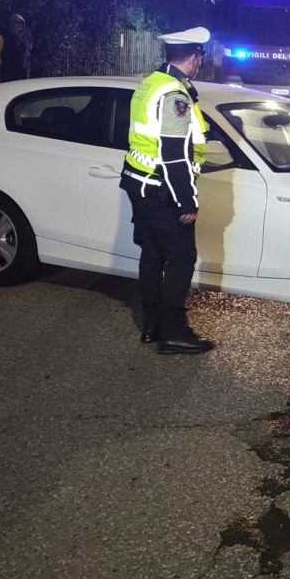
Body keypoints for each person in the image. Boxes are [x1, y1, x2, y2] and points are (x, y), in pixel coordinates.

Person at [120, 27, 214, 355]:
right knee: (181, 256)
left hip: (138, 183)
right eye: (200, 56)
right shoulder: (174, 95)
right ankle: (174, 332)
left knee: (153, 255)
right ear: (193, 57)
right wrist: (186, 200)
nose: (200, 61)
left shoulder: (150, 84)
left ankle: (151, 325)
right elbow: (174, 153)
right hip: (162, 188)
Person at [0, 13, 33, 81]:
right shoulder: (2, 35)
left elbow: (29, 49)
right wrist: (3, 64)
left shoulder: (28, 36)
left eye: (21, 22)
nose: (19, 24)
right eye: (16, 22)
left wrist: (25, 62)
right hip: (7, 72)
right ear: (12, 24)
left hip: (23, 72)